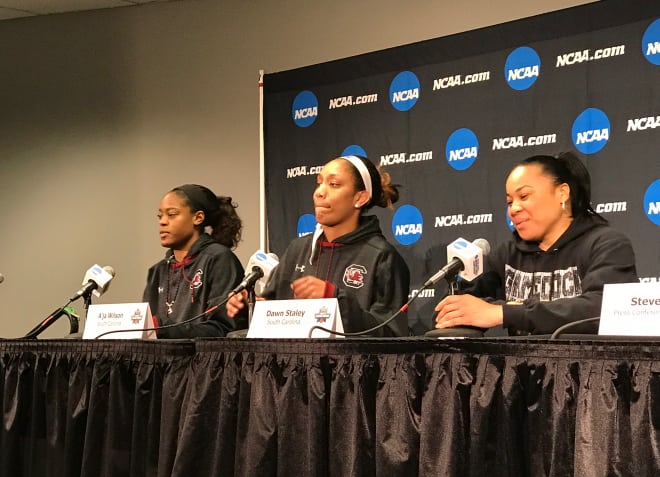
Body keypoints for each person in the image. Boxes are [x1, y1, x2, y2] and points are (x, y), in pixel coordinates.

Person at [434, 151, 638, 335]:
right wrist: (473, 310)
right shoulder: (506, 254)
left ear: (562, 193)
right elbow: (456, 309)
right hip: (518, 373)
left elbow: (605, 309)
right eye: (509, 201)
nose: (513, 209)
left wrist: (504, 312)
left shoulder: (607, 245)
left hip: (585, 372)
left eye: (524, 196)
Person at [227, 155, 410, 337]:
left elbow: (391, 334)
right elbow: (273, 316)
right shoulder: (297, 249)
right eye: (319, 182)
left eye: (334, 184)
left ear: (360, 198)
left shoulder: (382, 257)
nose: (319, 192)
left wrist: (334, 297)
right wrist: (248, 306)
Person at [144, 184, 247, 338]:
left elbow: (223, 328)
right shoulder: (157, 271)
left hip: (203, 360)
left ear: (198, 218)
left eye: (171, 214)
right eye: (160, 216)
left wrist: (162, 329)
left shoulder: (219, 259)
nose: (163, 222)